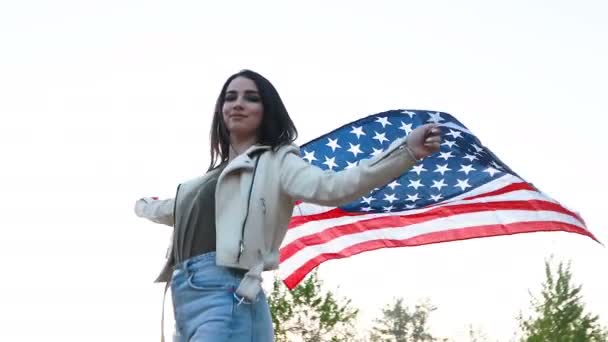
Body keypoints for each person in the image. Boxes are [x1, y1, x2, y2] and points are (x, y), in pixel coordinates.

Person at [134, 69, 442, 342]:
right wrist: (141, 204)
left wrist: (407, 151)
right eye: (230, 97)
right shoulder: (201, 183)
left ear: (266, 110)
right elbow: (170, 209)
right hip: (183, 295)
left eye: (251, 98)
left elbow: (332, 187)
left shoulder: (278, 160)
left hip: (225, 291)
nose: (237, 103)